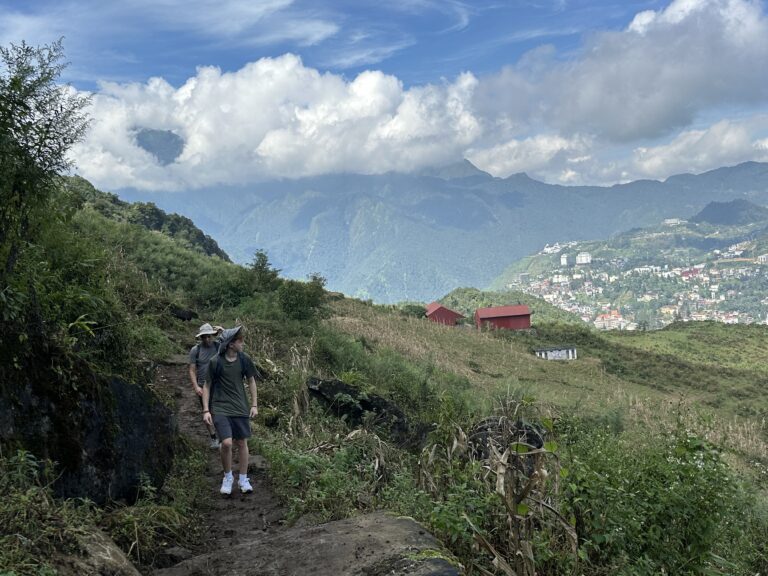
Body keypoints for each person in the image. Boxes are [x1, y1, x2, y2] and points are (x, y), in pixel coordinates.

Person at [202, 326, 261, 495]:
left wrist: (254, 405)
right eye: (240, 341)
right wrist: (206, 410)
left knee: (242, 443)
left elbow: (251, 381)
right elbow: (207, 385)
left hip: (240, 407)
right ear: (230, 344)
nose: (243, 343)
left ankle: (243, 478)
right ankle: (228, 477)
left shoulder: (244, 359)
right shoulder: (216, 362)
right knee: (227, 443)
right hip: (220, 407)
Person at [188, 322, 224, 448]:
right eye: (204, 337)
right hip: (203, 385)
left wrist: (223, 331)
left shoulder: (218, 346)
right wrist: (196, 386)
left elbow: (232, 343)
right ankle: (213, 437)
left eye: (209, 336)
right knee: (206, 411)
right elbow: (192, 370)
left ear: (212, 336)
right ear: (201, 337)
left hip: (217, 384)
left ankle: (222, 436)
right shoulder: (195, 350)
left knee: (218, 411)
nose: (207, 339)